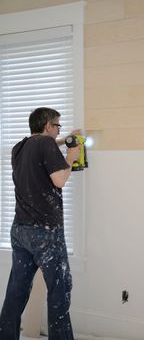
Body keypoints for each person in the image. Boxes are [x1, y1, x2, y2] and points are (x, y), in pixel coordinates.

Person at [0, 107, 81, 340]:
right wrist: (71, 157)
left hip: (20, 230)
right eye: (57, 126)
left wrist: (64, 140)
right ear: (48, 126)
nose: (59, 130)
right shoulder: (46, 145)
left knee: (17, 290)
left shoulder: (19, 147)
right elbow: (60, 180)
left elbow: (46, 144)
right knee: (59, 291)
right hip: (45, 233)